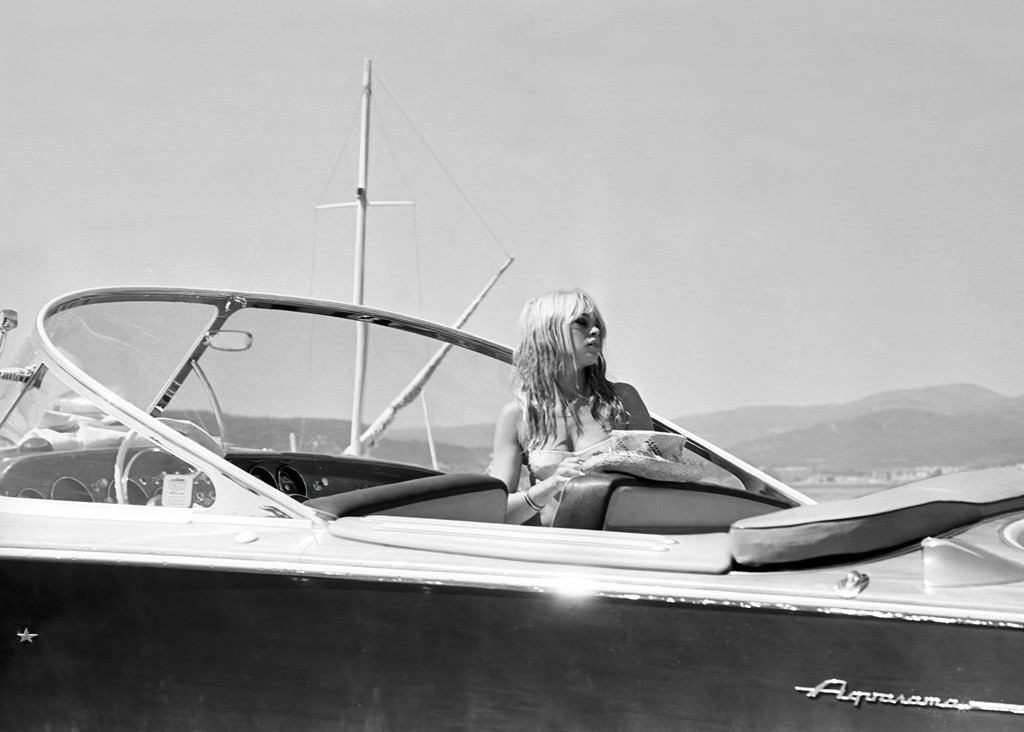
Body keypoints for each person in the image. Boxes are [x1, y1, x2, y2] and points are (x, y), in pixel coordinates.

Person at [489, 288, 652, 525]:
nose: (596, 331)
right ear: (549, 331)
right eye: (581, 323)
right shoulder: (519, 415)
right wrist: (551, 484)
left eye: (597, 324)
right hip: (546, 544)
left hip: (614, 541)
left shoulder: (622, 400)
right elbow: (495, 511)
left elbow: (656, 486)